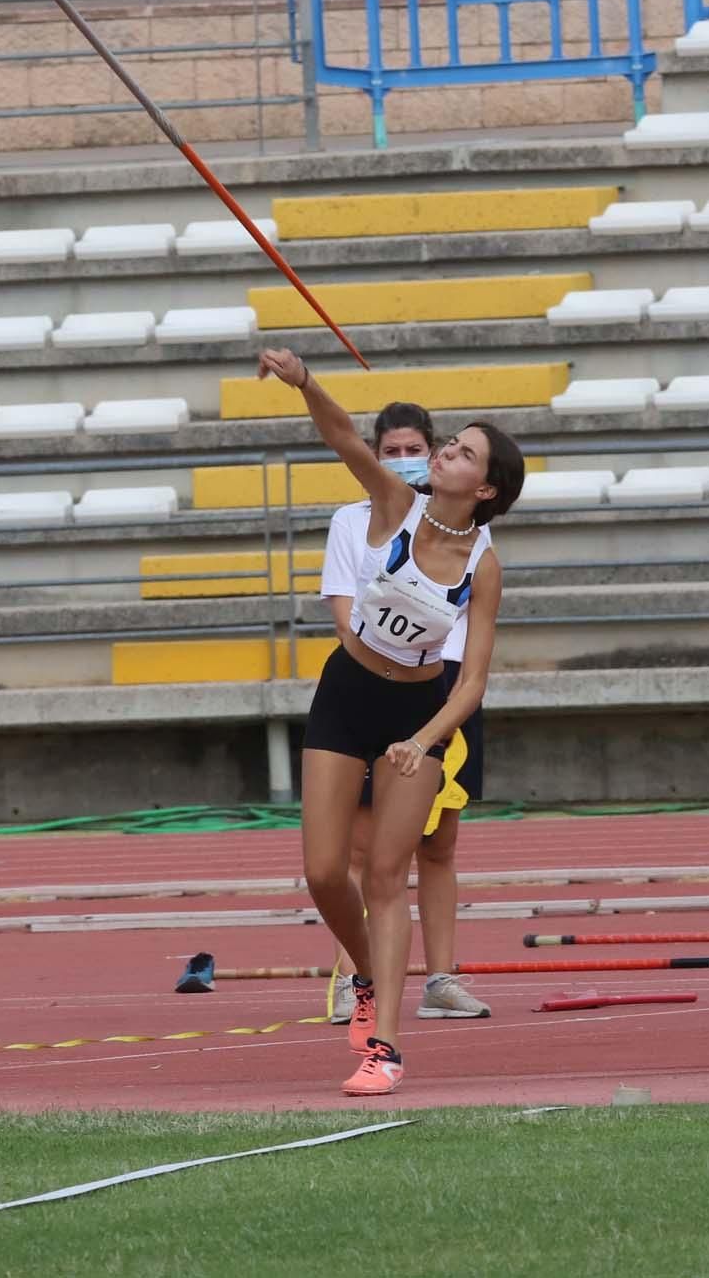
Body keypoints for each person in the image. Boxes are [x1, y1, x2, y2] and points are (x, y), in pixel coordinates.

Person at [257, 347, 523, 1096]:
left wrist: (424, 738)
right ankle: (368, 973)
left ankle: (386, 1048)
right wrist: (305, 382)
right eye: (449, 442)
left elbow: (471, 680)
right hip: (346, 693)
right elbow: (343, 435)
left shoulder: (484, 565)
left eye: (463, 451)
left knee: (385, 875)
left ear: (486, 485)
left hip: (415, 712)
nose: (445, 452)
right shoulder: (393, 507)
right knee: (320, 870)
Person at [321, 401, 491, 1026]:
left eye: (414, 448)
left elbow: (474, 623)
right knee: (364, 851)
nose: (404, 460)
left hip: (443, 690)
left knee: (439, 843)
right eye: (389, 450)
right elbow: (343, 609)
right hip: (373, 678)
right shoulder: (354, 520)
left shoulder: (474, 535)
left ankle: (441, 979)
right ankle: (352, 977)